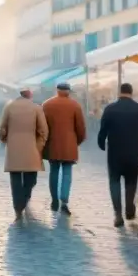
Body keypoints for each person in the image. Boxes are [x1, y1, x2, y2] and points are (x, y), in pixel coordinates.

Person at [98, 83, 138, 227]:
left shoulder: (110, 109)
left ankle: (118, 214)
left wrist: (101, 144)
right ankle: (130, 209)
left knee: (114, 182)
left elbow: (103, 130)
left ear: (119, 92)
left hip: (115, 153)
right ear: (131, 93)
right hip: (134, 153)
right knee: (131, 182)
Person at [0, 89, 49, 222]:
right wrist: (38, 147)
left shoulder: (9, 107)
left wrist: (6, 141)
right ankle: (25, 198)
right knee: (31, 178)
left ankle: (18, 207)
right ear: (30, 95)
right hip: (31, 148)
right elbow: (43, 130)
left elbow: (2, 128)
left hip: (14, 148)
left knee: (15, 180)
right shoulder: (36, 108)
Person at [41, 82, 87, 214]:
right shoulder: (75, 105)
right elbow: (81, 129)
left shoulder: (46, 104)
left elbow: (42, 126)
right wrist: (75, 142)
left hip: (52, 144)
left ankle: (54, 199)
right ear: (68, 91)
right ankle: (64, 200)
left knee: (54, 172)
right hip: (69, 145)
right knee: (67, 173)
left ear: (57, 90)